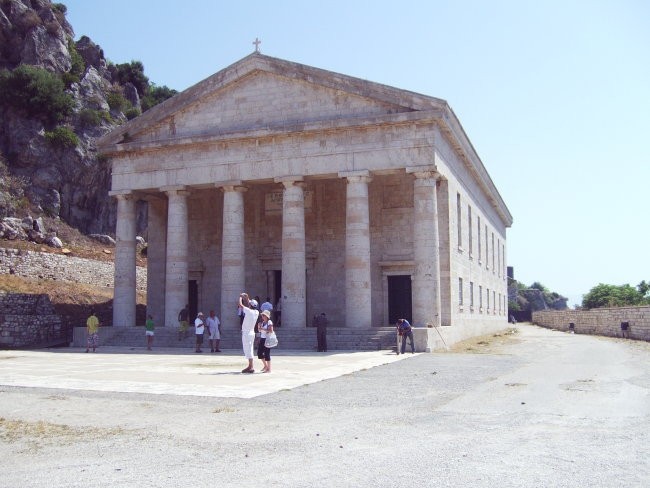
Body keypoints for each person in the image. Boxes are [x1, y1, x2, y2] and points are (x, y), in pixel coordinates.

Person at [239, 293, 259, 373]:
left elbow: (240, 305)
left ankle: (251, 366)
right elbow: (250, 304)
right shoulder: (256, 312)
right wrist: (247, 297)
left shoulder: (249, 311)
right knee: (249, 348)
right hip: (251, 332)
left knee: (248, 349)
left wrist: (241, 297)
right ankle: (250, 366)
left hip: (247, 333)